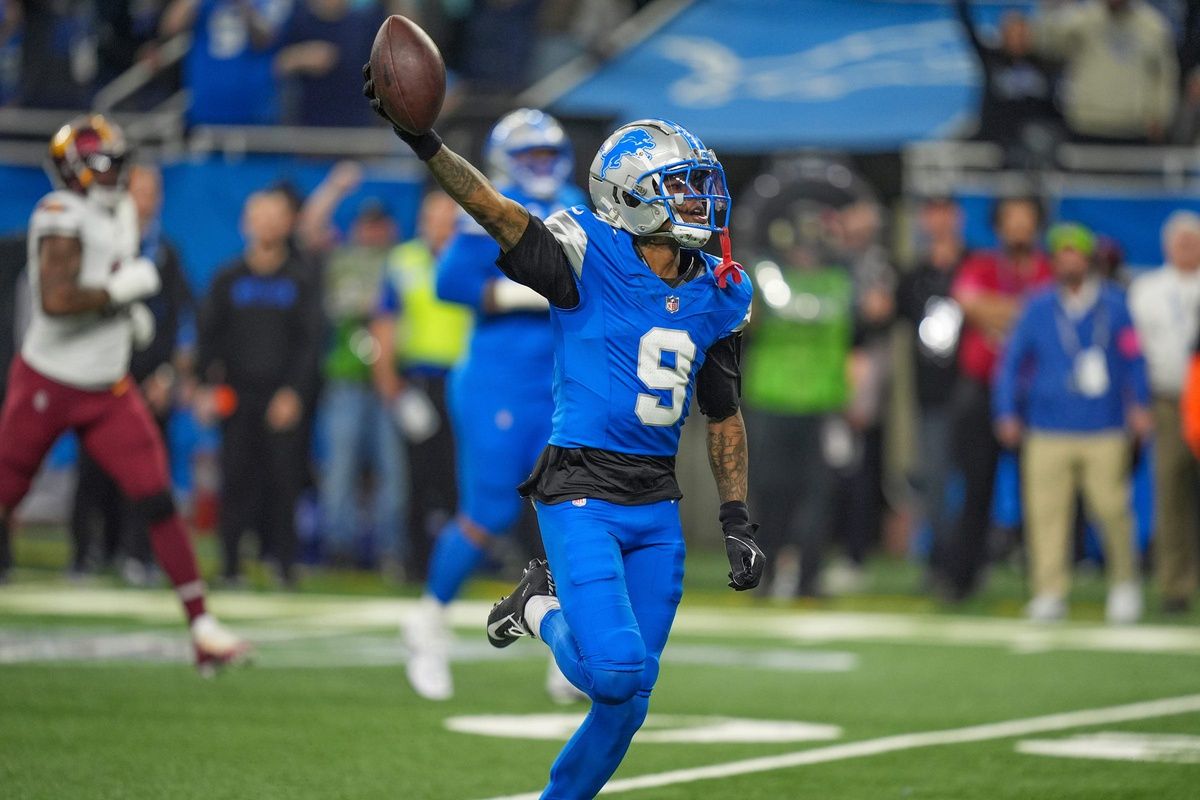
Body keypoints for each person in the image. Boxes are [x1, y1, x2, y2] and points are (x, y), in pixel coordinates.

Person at [364, 70, 764, 798]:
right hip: (580, 486)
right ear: (631, 196)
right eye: (679, 187)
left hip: (655, 502)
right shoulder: (584, 252)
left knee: (628, 705)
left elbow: (723, 410)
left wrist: (735, 517)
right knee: (615, 670)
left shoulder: (720, 289)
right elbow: (492, 210)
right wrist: (427, 145)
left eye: (699, 185)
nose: (699, 202)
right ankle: (536, 608)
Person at [0, 115, 247, 671]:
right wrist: (119, 293)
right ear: (78, 167)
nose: (118, 170)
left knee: (157, 495)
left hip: (107, 387)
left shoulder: (121, 211)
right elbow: (56, 301)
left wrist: (125, 310)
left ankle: (203, 628)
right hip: (49, 380)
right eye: (106, 160)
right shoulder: (59, 213)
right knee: (5, 495)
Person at [399, 109, 585, 703]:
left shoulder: (578, 200)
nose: (539, 165)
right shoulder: (490, 203)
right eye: (528, 155)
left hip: (560, 383)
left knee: (573, 516)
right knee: (486, 515)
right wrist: (521, 291)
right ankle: (428, 622)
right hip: (498, 382)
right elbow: (449, 284)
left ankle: (570, 647)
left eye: (546, 153)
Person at [993, 223, 1151, 623]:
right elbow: (1011, 363)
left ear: (1088, 258)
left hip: (1104, 425)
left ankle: (1124, 583)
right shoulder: (1038, 306)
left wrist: (1140, 405)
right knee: (1046, 514)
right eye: (1060, 254)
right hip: (1048, 426)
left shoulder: (1114, 305)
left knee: (1113, 509)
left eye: (1074, 253)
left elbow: (1133, 360)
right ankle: (1049, 590)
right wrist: (1007, 411)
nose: (1068, 261)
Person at [69, 164, 193, 584]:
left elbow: (182, 322)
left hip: (150, 382)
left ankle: (138, 556)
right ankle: (86, 554)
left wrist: (167, 377)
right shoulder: (98, 247)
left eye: (154, 191)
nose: (147, 199)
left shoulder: (167, 253)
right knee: (92, 470)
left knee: (147, 473)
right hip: (102, 375)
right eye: (140, 190)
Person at [196, 190, 323, 588]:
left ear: (288, 223)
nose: (267, 223)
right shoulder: (228, 277)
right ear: (245, 224)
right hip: (236, 397)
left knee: (284, 484)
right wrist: (204, 387)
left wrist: (294, 393)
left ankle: (283, 565)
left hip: (282, 399)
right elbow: (208, 337)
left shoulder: (301, 280)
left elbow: (311, 343)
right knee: (234, 482)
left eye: (275, 216)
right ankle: (230, 567)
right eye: (259, 216)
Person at [297, 163, 406, 571]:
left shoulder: (402, 261)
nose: (374, 231)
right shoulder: (341, 258)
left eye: (381, 225)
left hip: (391, 379)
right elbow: (308, 229)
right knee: (340, 468)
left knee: (392, 471)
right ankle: (337, 549)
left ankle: (390, 550)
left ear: (391, 229)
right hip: (345, 376)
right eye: (368, 224)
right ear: (359, 227)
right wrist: (333, 187)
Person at [945, 195, 1054, 600]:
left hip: (1036, 395)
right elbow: (969, 303)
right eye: (1013, 221)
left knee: (1042, 491)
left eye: (1026, 221)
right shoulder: (982, 265)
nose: (1019, 229)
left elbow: (1049, 315)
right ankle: (961, 578)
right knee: (975, 488)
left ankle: (1043, 583)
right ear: (999, 227)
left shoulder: (1048, 268)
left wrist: (1001, 311)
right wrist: (1027, 313)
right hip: (981, 389)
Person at [371, 191, 470, 582]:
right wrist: (391, 386)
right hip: (419, 381)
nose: (440, 224)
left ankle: (459, 561)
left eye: (448, 217)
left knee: (460, 474)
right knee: (415, 475)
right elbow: (384, 323)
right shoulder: (404, 260)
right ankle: (416, 562)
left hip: (465, 379)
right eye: (434, 217)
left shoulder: (472, 256)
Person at [1129, 211, 1200, 613]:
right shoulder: (1148, 289)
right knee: (1170, 492)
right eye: (1181, 241)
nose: (1188, 248)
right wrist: (1138, 401)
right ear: (1167, 246)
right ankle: (1175, 585)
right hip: (1169, 398)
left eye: (1194, 240)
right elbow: (1135, 351)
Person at [897, 197, 966, 585]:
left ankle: (971, 560)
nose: (937, 221)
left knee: (974, 480)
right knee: (935, 480)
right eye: (931, 213)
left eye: (944, 212)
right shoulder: (915, 275)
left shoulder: (974, 266)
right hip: (931, 393)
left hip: (974, 389)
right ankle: (941, 563)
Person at [1033, 0, 1177, 144]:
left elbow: (1164, 77)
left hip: (1134, 128)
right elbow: (1047, 46)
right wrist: (1055, 10)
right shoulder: (1083, 19)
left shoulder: (1153, 26)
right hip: (1087, 125)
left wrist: (1160, 116)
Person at [955, 1, 1060, 157]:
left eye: (1021, 33)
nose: (1017, 38)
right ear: (1003, 35)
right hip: (994, 137)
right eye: (1012, 33)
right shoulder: (992, 59)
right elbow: (968, 28)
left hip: (1034, 141)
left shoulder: (1044, 64)